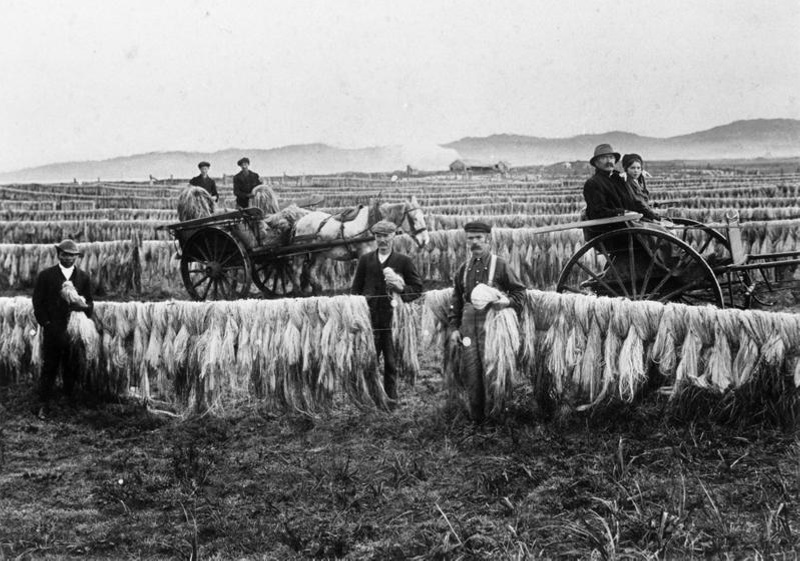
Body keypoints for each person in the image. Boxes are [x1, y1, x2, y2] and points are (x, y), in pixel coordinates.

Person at [447, 222, 526, 423]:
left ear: (488, 240)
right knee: (470, 369)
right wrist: (454, 328)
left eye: (478, 238)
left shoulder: (500, 265)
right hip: (467, 326)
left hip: (493, 325)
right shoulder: (463, 269)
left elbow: (520, 292)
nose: (474, 242)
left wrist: (506, 302)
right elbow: (456, 300)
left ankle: (498, 416)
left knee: (494, 368)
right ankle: (477, 419)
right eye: (470, 238)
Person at [351, 220, 423, 407]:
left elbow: (417, 289)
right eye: (378, 236)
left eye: (386, 236)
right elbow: (356, 290)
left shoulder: (403, 261)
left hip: (393, 320)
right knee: (369, 360)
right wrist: (356, 313)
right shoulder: (366, 260)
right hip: (369, 318)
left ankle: (390, 399)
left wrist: (401, 288)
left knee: (391, 362)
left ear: (394, 236)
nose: (382, 240)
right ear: (374, 237)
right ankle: (371, 398)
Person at [32, 239, 94, 418]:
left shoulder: (83, 277)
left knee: (72, 364)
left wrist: (84, 307)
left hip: (75, 330)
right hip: (54, 329)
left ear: (77, 257)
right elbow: (38, 302)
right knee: (49, 366)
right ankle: (44, 403)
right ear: (58, 254)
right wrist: (46, 324)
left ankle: (69, 399)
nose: (67, 258)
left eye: (72, 255)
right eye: (64, 254)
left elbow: (90, 300)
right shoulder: (46, 275)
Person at [583, 144, 659, 235]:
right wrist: (623, 213)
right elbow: (598, 212)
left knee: (662, 227)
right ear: (596, 163)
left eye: (611, 157)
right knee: (657, 235)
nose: (609, 161)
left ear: (615, 160)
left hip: (627, 224)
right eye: (604, 158)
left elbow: (632, 202)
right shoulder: (593, 183)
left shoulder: (617, 179)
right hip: (612, 231)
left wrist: (652, 216)